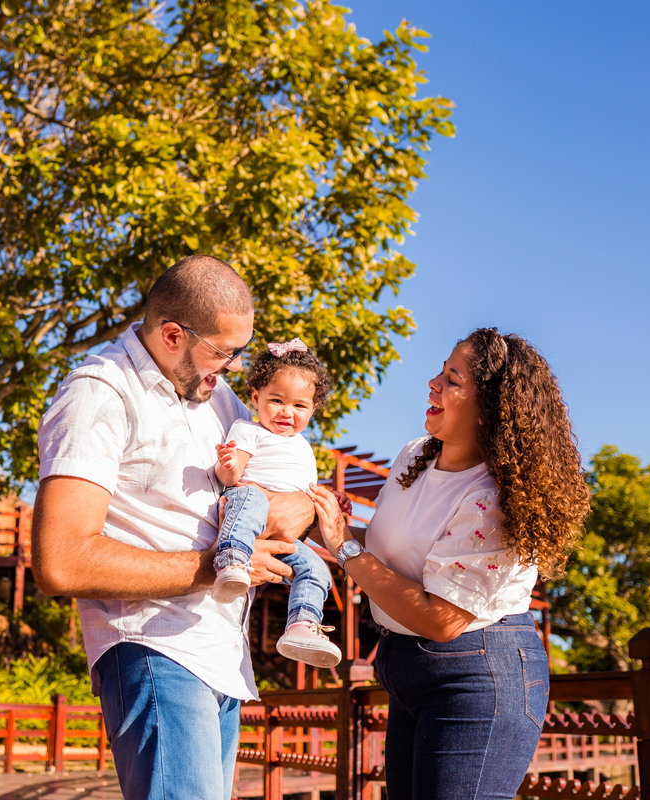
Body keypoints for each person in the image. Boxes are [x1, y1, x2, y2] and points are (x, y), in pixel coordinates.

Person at [32, 254, 315, 800]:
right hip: (154, 647)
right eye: (224, 352)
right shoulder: (99, 392)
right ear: (171, 336)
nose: (232, 366)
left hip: (222, 655)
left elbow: (274, 474)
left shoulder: (217, 397)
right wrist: (218, 566)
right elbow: (60, 560)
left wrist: (297, 508)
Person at [308, 328, 590, 800]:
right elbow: (380, 553)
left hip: (477, 674)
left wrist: (344, 548)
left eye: (452, 379)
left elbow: (441, 618)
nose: (432, 383)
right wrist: (321, 523)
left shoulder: (496, 499)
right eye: (440, 371)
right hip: (404, 668)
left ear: (491, 407)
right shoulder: (414, 455)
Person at [211, 338, 341, 668]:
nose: (287, 412)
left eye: (299, 405)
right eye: (277, 400)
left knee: (317, 568)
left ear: (313, 409)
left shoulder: (306, 450)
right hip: (245, 504)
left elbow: (306, 494)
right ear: (256, 398)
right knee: (252, 496)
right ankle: (232, 561)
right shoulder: (248, 429)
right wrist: (227, 465)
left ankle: (301, 624)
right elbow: (232, 478)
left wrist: (330, 501)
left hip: (287, 532)